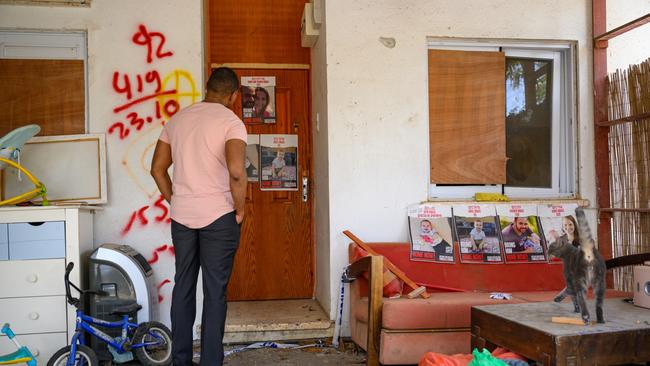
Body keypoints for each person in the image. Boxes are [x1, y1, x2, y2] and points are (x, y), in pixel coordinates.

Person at [150, 67, 247, 366]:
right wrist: (240, 208)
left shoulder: (177, 120)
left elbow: (156, 168)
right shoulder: (232, 122)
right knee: (215, 291)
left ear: (207, 89)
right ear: (233, 95)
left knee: (184, 285)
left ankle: (180, 360)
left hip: (182, 216)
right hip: (218, 216)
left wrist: (175, 199)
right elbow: (235, 170)